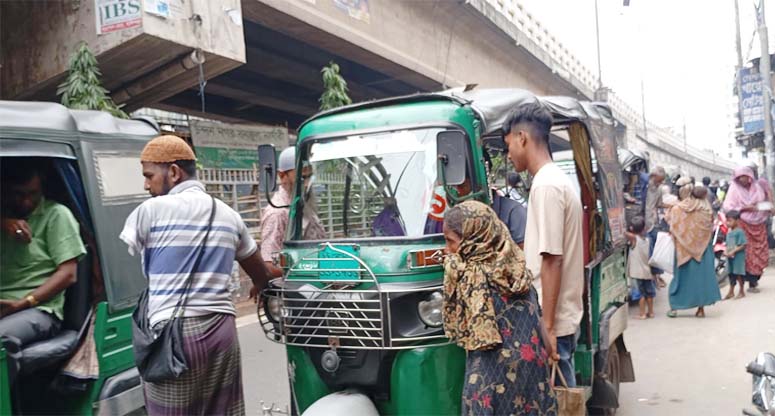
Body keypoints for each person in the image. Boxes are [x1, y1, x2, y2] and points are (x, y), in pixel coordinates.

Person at [120, 135, 272, 415]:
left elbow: (136, 256)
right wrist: (261, 287)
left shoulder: (149, 212)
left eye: (149, 175)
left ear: (174, 172)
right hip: (223, 330)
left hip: (176, 336)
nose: (146, 185)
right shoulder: (228, 214)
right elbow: (260, 272)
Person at [441, 201, 557, 415]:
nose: (448, 250)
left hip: (489, 387)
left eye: (451, 242)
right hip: (533, 381)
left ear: (473, 240)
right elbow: (544, 340)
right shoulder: (518, 273)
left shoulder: (470, 278)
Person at [503, 102, 583, 387]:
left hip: (552, 321)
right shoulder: (553, 180)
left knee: (558, 400)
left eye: (509, 144)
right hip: (557, 316)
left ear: (522, 137)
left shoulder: (546, 186)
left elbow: (552, 259)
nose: (509, 154)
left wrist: (546, 326)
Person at [0, 160, 86, 384]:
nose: (27, 201)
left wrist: (23, 303)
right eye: (18, 195)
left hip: (39, 310)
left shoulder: (56, 215)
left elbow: (68, 273)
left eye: (33, 194)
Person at [260, 147, 325, 278]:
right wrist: (307, 274)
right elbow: (269, 265)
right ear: (282, 175)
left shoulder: (302, 204)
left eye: (309, 177)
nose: (307, 185)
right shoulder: (277, 213)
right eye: (302, 178)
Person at [665, 184, 721, 318]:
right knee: (701, 279)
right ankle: (701, 310)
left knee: (682, 278)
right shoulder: (706, 208)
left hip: (683, 249)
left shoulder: (678, 208)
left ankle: (675, 307)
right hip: (703, 250)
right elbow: (710, 225)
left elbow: (672, 224)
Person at [723, 166, 770, 293]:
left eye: (745, 176)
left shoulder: (759, 186)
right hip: (743, 223)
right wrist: (743, 208)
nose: (742, 179)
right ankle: (748, 282)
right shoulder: (734, 189)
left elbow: (768, 203)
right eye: (739, 177)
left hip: (759, 223)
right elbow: (728, 207)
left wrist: (762, 207)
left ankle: (755, 279)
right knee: (746, 253)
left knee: (759, 252)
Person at [453, 174, 528, 248]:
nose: (458, 192)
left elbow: (523, 251)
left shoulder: (513, 211)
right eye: (454, 187)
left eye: (462, 187)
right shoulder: (459, 215)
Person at [625, 216, 655, 319]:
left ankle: (642, 314)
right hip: (647, 272)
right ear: (644, 229)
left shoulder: (634, 239)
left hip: (636, 273)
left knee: (640, 294)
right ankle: (651, 312)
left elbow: (624, 233)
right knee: (649, 294)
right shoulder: (648, 240)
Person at [644, 166, 667, 288]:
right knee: (649, 250)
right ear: (652, 177)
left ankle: (656, 276)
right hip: (643, 224)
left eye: (661, 181)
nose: (660, 183)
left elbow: (659, 204)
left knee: (656, 250)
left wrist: (672, 206)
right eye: (658, 180)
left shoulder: (658, 190)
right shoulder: (644, 186)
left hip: (652, 223)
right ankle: (653, 277)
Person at [724, 210, 747, 300]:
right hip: (730, 257)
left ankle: (741, 291)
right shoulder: (729, 232)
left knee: (739, 274)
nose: (728, 223)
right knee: (731, 274)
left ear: (737, 221)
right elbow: (727, 244)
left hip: (738, 257)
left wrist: (734, 251)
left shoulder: (739, 232)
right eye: (727, 221)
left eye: (730, 221)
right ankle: (731, 291)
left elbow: (743, 244)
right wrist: (726, 251)